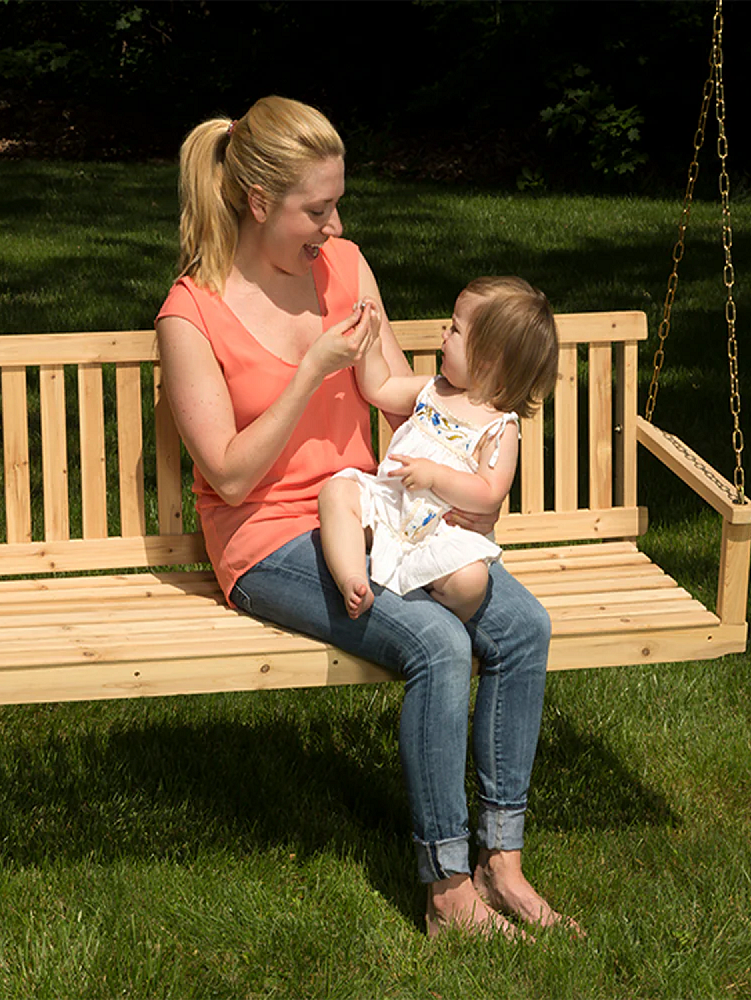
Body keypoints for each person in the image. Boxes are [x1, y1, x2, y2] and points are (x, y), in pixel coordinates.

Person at [155, 95, 575, 938]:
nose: (334, 223)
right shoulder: (189, 313)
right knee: (436, 642)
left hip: (382, 512)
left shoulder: (344, 267)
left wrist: (465, 468)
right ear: (257, 200)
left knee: (523, 625)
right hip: (268, 537)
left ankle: (505, 861)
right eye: (318, 208)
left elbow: (403, 399)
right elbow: (230, 478)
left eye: (337, 203)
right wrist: (312, 369)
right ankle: (448, 886)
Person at [318, 278, 559, 622]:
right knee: (337, 492)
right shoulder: (433, 390)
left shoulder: (498, 427)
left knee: (472, 580)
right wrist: (370, 342)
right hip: (391, 506)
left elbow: (490, 493)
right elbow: (380, 387)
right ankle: (352, 577)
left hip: (442, 534)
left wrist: (435, 476)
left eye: (455, 330)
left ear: (487, 359)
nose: (444, 335)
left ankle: (446, 617)